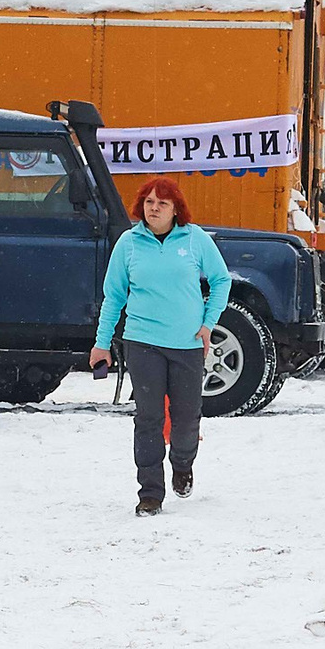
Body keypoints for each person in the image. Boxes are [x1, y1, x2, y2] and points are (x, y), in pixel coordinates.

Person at [88, 177, 230, 516]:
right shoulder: (129, 243)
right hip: (143, 342)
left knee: (185, 418)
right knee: (148, 418)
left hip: (187, 344)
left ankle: (182, 463)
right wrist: (101, 343)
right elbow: (114, 297)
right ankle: (150, 493)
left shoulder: (195, 240)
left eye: (162, 203)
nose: (154, 208)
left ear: (175, 208)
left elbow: (221, 279)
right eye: (149, 202)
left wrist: (208, 323)